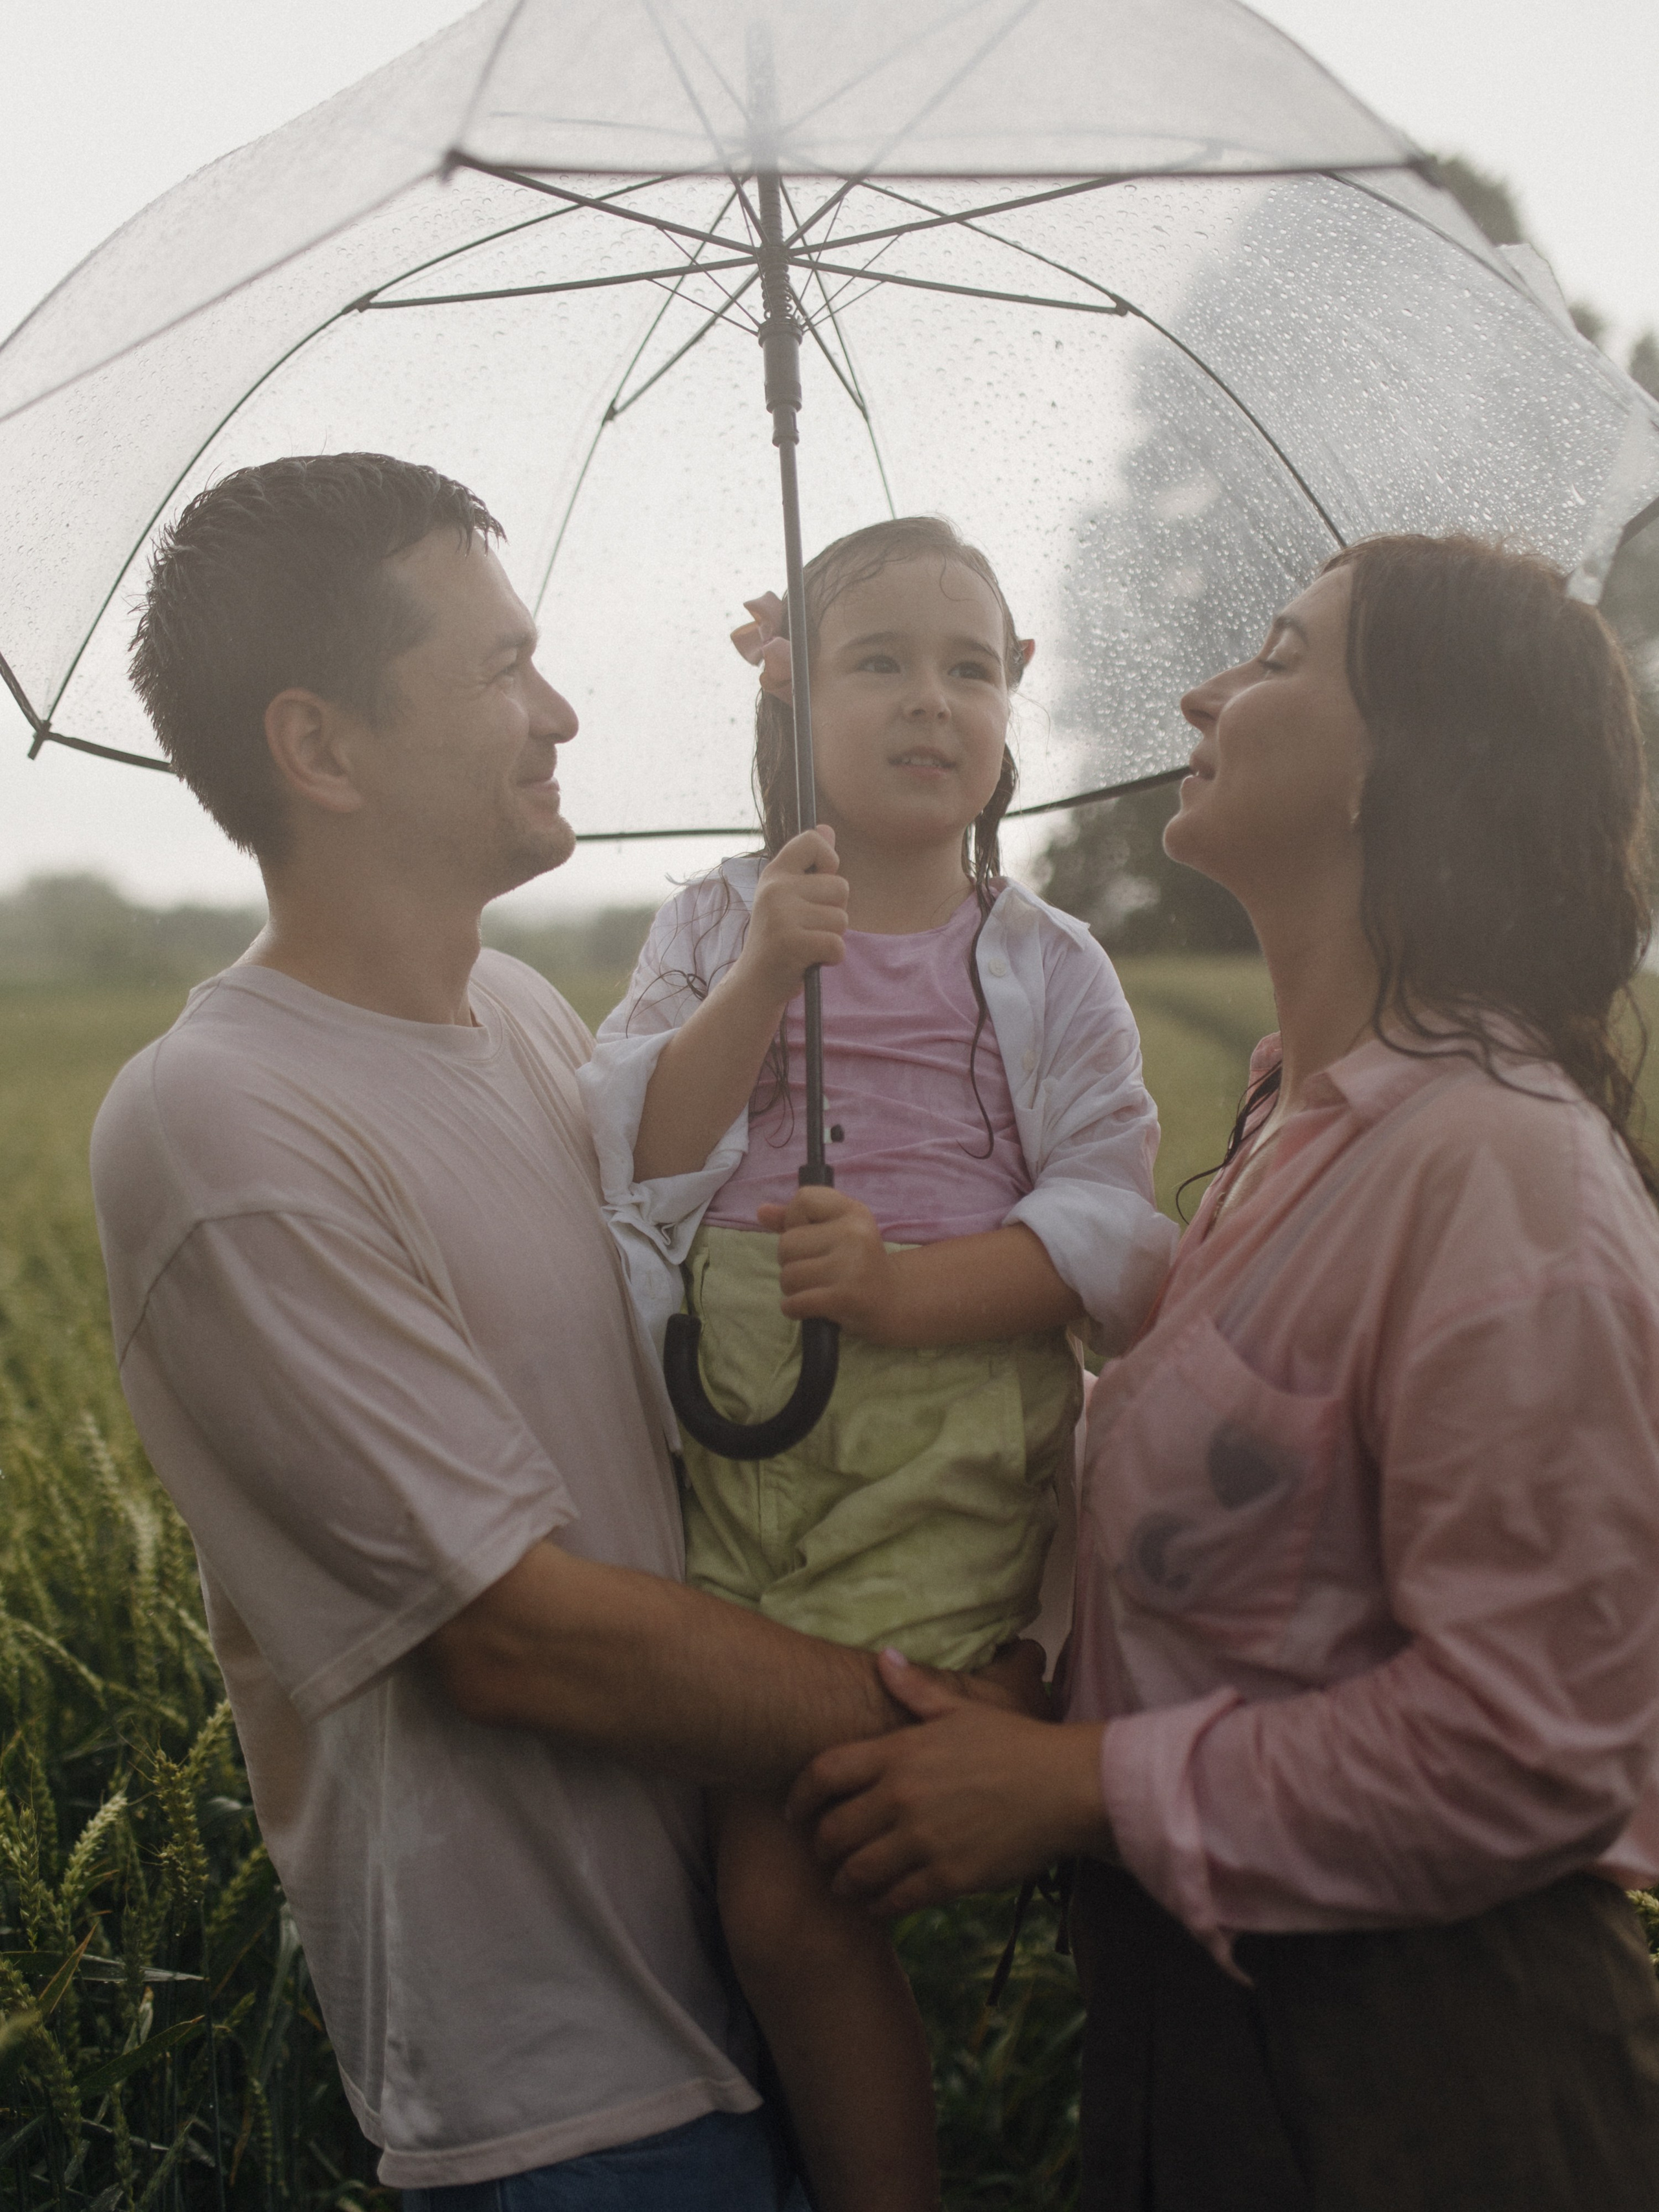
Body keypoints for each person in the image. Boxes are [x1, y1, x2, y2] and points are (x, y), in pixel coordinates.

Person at [90, 454, 1039, 2207]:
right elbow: (522, 1638)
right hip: (573, 2108)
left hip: (759, 1966)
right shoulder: (221, 1120)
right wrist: (966, 1735)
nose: (563, 712)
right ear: (322, 748)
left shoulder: (530, 1021)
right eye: (498, 672)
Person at [788, 533, 1659, 2211]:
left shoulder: (1499, 1173)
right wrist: (1033, 1695)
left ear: (1399, 764)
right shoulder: (1289, 1132)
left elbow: (1536, 1744)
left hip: (1435, 2080)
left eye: (1274, 656)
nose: (1204, 693)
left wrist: (1069, 1785)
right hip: (1206, 2050)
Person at [581, 515, 1176, 2212]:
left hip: (929, 1422)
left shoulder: (1049, 963)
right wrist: (769, 966)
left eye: (969, 665)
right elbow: (643, 1145)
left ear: (1017, 698)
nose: (933, 699)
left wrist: (910, 1296)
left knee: (785, 1888)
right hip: (738, 1421)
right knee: (727, 1867)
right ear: (797, 704)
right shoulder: (718, 917)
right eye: (878, 662)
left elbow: (1112, 1225)